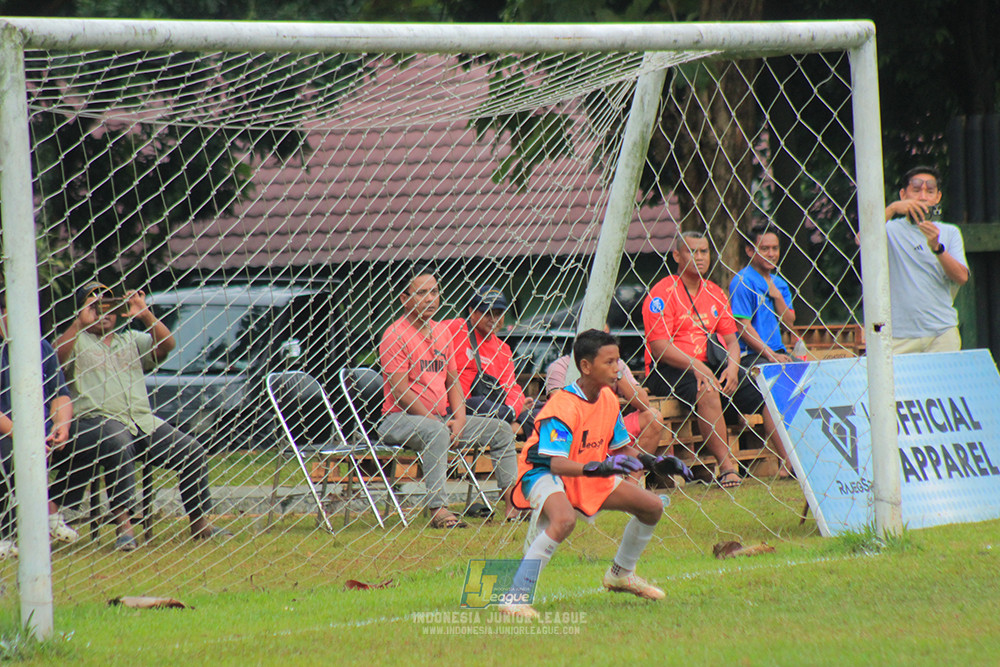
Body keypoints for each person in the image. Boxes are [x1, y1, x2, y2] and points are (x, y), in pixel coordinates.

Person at [498, 329, 691, 619]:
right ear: (586, 367)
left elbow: (622, 450)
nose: (618, 369)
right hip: (542, 472)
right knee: (563, 520)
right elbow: (556, 465)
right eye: (610, 362)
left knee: (651, 507)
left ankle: (621, 574)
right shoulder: (561, 406)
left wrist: (655, 463)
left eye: (618, 361)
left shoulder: (609, 399)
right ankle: (514, 598)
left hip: (586, 471)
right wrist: (601, 467)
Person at [52, 282, 226, 551]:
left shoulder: (131, 339)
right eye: (94, 305)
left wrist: (144, 313)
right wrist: (79, 323)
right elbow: (55, 361)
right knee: (117, 441)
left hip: (140, 421)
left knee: (192, 449)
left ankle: (199, 523)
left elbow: (166, 344)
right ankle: (124, 526)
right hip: (93, 423)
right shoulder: (75, 339)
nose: (102, 310)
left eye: (107, 305)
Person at [643, 231, 788, 486]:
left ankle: (790, 463)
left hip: (711, 364)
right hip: (667, 368)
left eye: (704, 252)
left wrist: (733, 369)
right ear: (677, 255)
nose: (699, 258)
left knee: (766, 388)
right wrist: (697, 366)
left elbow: (732, 341)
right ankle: (727, 467)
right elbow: (658, 346)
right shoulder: (662, 292)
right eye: (692, 251)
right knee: (708, 388)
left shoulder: (714, 292)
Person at [377, 270, 518, 528]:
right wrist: (437, 421)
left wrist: (460, 418)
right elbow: (400, 391)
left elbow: (453, 381)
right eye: (421, 293)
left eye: (434, 292)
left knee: (501, 429)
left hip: (442, 419)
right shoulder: (394, 334)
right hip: (399, 420)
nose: (430, 299)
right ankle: (438, 508)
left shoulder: (443, 332)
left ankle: (512, 503)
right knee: (437, 432)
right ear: (404, 299)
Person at [0, 293, 80, 559]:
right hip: (8, 432)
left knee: (90, 442)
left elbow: (60, 395)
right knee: (9, 452)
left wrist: (62, 425)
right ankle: (8, 532)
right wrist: (25, 436)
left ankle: (48, 510)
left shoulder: (41, 347)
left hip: (40, 432)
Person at [545, 327, 666, 460]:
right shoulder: (560, 368)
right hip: (576, 439)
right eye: (600, 335)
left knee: (653, 417)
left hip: (604, 434)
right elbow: (558, 412)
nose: (615, 366)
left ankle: (634, 480)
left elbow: (643, 403)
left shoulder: (611, 388)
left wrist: (618, 374)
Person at [884, 166, 969, 353]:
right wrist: (891, 209)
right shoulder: (889, 229)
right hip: (899, 334)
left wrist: (937, 248)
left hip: (941, 332)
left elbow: (962, 277)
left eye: (929, 191)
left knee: (946, 382)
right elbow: (861, 239)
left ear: (937, 197)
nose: (922, 197)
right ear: (903, 194)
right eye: (916, 190)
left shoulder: (950, 231)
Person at [447, 285, 534, 437]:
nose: (494, 319)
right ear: (472, 311)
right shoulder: (455, 329)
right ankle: (512, 426)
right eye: (487, 313)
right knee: (479, 404)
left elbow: (512, 388)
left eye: (499, 313)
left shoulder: (504, 349)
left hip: (495, 409)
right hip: (461, 406)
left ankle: (509, 422)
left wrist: (512, 409)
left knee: (542, 411)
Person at [728, 224, 796, 365]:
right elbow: (742, 326)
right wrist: (770, 355)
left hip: (778, 351)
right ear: (750, 251)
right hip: (751, 354)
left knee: (809, 377)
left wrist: (777, 297)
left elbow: (789, 324)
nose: (771, 254)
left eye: (775, 248)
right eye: (764, 249)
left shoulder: (780, 283)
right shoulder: (743, 281)